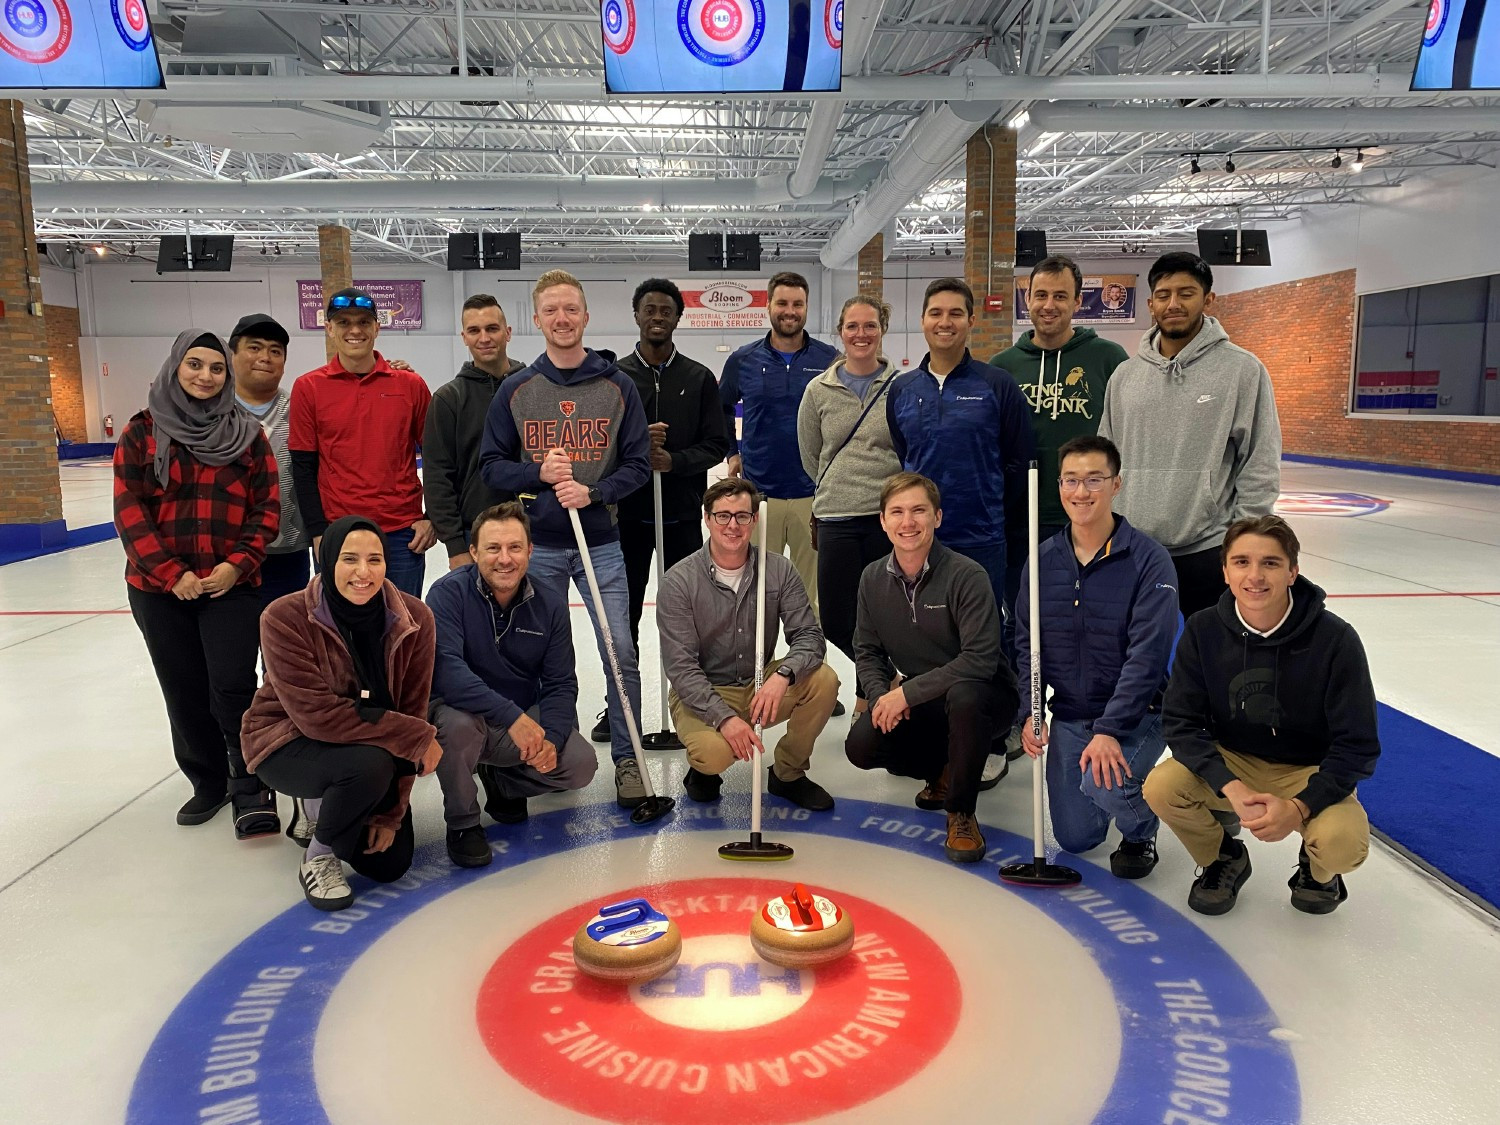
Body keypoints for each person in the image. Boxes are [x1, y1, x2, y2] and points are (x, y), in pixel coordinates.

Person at [478, 269, 653, 811]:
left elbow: (639, 464)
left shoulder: (618, 386)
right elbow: (491, 467)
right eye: (551, 310)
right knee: (531, 653)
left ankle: (628, 758)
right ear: (536, 320)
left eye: (570, 309)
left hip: (600, 540)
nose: (561, 319)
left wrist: (596, 491)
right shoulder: (517, 389)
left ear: (585, 316)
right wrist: (537, 472)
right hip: (541, 546)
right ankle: (535, 752)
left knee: (620, 649)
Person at [1144, 515, 1380, 916]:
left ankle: (1317, 872)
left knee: (1342, 845)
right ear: (1225, 571)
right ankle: (1223, 857)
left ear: (1293, 572)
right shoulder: (1203, 629)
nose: (1255, 575)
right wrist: (1229, 785)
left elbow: (1358, 746)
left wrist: (1299, 807)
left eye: (1270, 563)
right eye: (1241, 562)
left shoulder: (1336, 639)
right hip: (1234, 757)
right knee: (1162, 788)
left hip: (1308, 767)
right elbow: (1181, 722)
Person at [113, 329, 280, 835]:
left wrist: (236, 564)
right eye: (195, 365)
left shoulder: (247, 434)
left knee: (232, 684)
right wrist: (172, 575)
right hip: (159, 589)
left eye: (215, 368)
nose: (205, 376)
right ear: (175, 368)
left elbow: (266, 508)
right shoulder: (141, 433)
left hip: (231, 582)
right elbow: (130, 512)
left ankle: (249, 778)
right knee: (183, 686)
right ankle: (207, 780)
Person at [243, 517, 440, 911]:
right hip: (287, 738)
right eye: (350, 559)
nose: (363, 572)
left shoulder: (416, 619)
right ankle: (317, 854)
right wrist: (418, 737)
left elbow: (411, 709)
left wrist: (390, 814)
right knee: (368, 766)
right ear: (327, 559)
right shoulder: (284, 616)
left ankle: (328, 803)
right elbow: (316, 716)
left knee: (388, 865)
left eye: (375, 559)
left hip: (369, 746)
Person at [1014, 435, 1178, 879]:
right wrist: (1029, 712)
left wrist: (1109, 730)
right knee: (1076, 838)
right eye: (1071, 480)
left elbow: (1148, 656)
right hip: (1071, 714)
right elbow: (1028, 643)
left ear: (1116, 484)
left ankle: (1140, 828)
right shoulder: (1042, 559)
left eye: (1093, 480)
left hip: (1138, 714)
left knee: (1103, 784)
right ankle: (1114, 795)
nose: (1081, 492)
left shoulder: (1149, 560)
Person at [990, 256, 1128, 777]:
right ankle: (1017, 715)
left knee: (1087, 624)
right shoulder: (1004, 366)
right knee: (1016, 624)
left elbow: (1121, 434)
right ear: (1027, 299)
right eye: (1039, 295)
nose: (1048, 306)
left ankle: (1095, 718)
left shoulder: (1108, 358)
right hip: (1016, 520)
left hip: (1085, 521)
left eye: (1060, 296)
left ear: (1077, 300)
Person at [1098, 252, 1282, 620]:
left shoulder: (1242, 371)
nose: (1174, 304)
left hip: (1208, 551)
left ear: (1208, 299)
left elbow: (1259, 460)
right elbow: (1107, 458)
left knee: (1205, 663)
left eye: (1187, 293)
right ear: (1150, 304)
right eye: (1164, 295)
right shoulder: (1125, 376)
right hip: (1134, 548)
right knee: (1137, 661)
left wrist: (1240, 541)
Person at [845, 473, 1017, 864]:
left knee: (965, 696)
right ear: (883, 521)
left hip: (986, 696)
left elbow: (979, 660)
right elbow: (867, 649)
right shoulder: (872, 578)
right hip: (923, 695)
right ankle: (941, 770)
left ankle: (961, 811)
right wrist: (880, 698)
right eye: (898, 512)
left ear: (937, 517)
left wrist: (905, 693)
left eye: (919, 510)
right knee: (860, 746)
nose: (908, 522)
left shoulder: (966, 575)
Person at [426, 502, 597, 867]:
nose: (505, 559)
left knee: (580, 764)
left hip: (516, 720)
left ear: (530, 551)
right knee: (456, 727)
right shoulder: (447, 595)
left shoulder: (550, 601)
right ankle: (463, 823)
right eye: (493, 548)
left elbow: (561, 682)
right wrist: (512, 717)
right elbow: (448, 673)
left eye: (515, 547)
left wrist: (549, 737)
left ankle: (502, 780)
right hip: (466, 715)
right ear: (473, 552)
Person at [656, 479, 839, 810]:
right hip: (703, 690)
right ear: (707, 518)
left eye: (742, 516)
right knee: (713, 755)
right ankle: (703, 769)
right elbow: (681, 669)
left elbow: (810, 637)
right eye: (723, 516)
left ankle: (787, 774)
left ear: (755, 520)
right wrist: (725, 719)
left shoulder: (778, 570)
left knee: (824, 680)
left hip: (760, 682)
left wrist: (783, 675)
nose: (732, 525)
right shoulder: (679, 582)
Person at [885, 277, 1034, 623]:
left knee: (982, 635)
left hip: (982, 537)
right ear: (922, 320)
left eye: (955, 313)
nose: (945, 322)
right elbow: (905, 455)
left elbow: (1018, 461)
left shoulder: (997, 384)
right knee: (925, 630)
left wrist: (989, 504)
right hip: (920, 537)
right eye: (935, 313)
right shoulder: (902, 389)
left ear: (971, 321)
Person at [289, 287, 437, 597]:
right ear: (329, 328)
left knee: (402, 628)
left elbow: (438, 459)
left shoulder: (410, 384)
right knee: (339, 633)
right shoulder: (308, 387)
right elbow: (303, 467)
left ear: (377, 328)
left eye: (363, 322)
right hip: (337, 532)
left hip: (401, 533)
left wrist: (431, 517)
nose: (354, 330)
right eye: (343, 322)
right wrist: (317, 531)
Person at [796, 293, 901, 716]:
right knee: (838, 618)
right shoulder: (818, 390)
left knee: (883, 615)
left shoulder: (901, 387)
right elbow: (810, 453)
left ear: (882, 330)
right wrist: (833, 486)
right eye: (852, 326)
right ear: (840, 332)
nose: (861, 334)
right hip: (836, 515)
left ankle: (867, 693)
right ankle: (885, 679)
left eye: (869, 325)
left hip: (887, 519)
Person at [615, 278, 729, 655]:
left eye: (666, 311)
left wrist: (673, 461)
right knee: (623, 615)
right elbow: (602, 448)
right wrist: (637, 447)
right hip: (628, 519)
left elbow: (717, 444)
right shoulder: (615, 379)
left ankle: (690, 704)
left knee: (686, 614)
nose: (657, 318)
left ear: (678, 318)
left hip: (680, 519)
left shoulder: (698, 378)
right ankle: (620, 709)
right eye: (650, 310)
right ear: (636, 315)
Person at [719, 270, 839, 618]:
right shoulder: (743, 360)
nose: (790, 311)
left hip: (812, 496)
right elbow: (719, 407)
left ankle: (809, 672)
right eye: (782, 303)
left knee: (810, 604)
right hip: (761, 497)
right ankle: (757, 673)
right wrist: (732, 451)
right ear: (768, 306)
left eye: (798, 304)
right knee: (757, 601)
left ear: (806, 308)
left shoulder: (828, 359)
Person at [423, 293, 524, 571]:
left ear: (508, 332)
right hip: (474, 536)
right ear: (464, 337)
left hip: (532, 532)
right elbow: (437, 476)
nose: (484, 338)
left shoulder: (533, 388)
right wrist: (455, 546)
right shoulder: (448, 399)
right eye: (474, 331)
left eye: (492, 328)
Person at [229, 313, 311, 606]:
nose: (265, 357)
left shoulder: (302, 409)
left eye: (275, 351)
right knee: (232, 647)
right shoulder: (210, 413)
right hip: (225, 555)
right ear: (232, 354)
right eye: (254, 347)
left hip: (286, 552)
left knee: (283, 644)